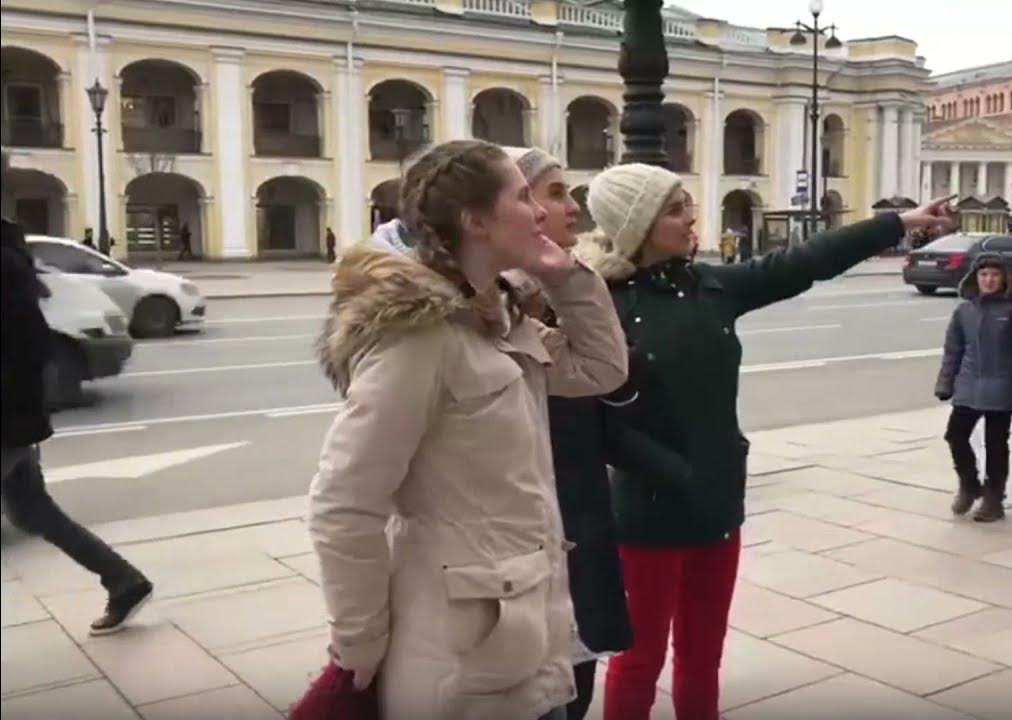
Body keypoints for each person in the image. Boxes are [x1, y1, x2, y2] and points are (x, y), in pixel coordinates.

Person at [575, 163, 954, 720]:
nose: (691, 218)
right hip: (646, 517)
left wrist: (896, 223)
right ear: (641, 221)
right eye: (676, 209)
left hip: (719, 505)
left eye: (687, 205)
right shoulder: (602, 302)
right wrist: (677, 475)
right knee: (638, 662)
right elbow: (597, 423)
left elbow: (803, 262)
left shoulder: (711, 286)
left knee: (703, 659)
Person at [307, 139, 628, 719]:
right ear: (475, 221)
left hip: (527, 641)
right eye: (525, 196)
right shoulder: (418, 335)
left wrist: (566, 276)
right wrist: (360, 648)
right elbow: (344, 503)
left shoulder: (496, 316)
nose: (540, 213)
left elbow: (600, 368)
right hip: (464, 664)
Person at [503, 146, 633, 720]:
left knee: (575, 694)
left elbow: (607, 373)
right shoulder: (484, 316)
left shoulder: (558, 296)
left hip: (574, 535)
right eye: (555, 194)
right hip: (508, 563)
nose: (572, 209)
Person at [2, 216, 153, 636]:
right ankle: (124, 581)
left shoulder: (6, 266)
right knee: (32, 512)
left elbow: (30, 348)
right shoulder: (12, 258)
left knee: (33, 512)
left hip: (8, 421)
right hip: (16, 420)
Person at [935, 254, 1012, 522]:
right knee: (955, 435)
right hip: (969, 383)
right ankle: (970, 485)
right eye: (984, 275)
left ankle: (994, 497)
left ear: (1004, 278)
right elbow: (953, 350)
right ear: (975, 278)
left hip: (1003, 384)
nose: (989, 280)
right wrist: (946, 382)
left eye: (995, 275)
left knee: (996, 443)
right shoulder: (964, 311)